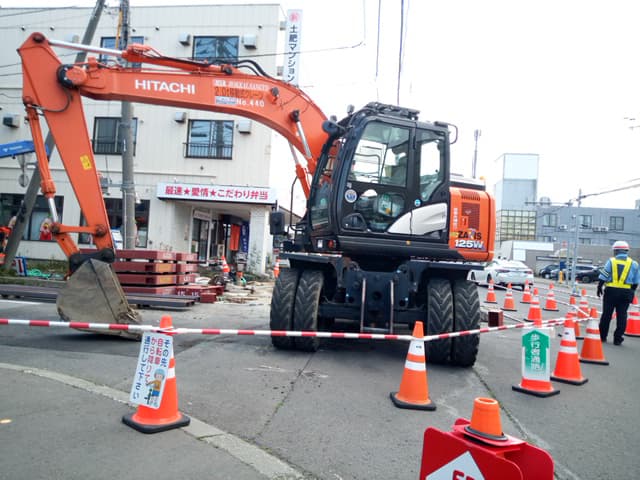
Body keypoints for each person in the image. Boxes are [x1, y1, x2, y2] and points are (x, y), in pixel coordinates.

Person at [597, 240, 640, 345]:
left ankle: (602, 336)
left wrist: (599, 287)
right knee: (622, 316)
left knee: (606, 315)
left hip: (611, 291)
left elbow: (604, 275)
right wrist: (631, 292)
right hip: (626, 292)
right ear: (626, 251)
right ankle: (618, 339)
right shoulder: (634, 264)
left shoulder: (611, 261)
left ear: (616, 251)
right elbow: (636, 281)